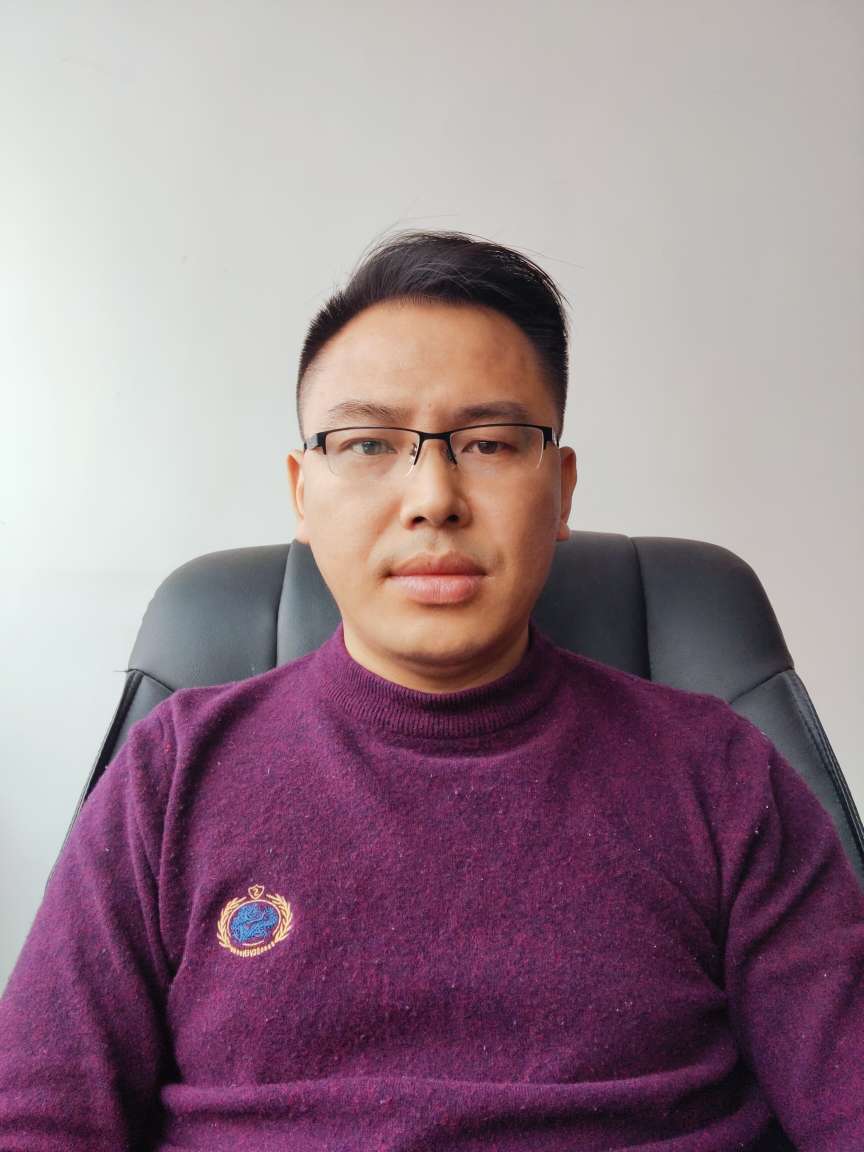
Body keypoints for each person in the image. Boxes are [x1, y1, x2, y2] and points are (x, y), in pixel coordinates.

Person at [0, 230, 861, 1152]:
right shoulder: (171, 775)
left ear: (562, 490)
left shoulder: (720, 773)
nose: (434, 498)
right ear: (303, 492)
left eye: (489, 442)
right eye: (369, 443)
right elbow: (43, 1118)